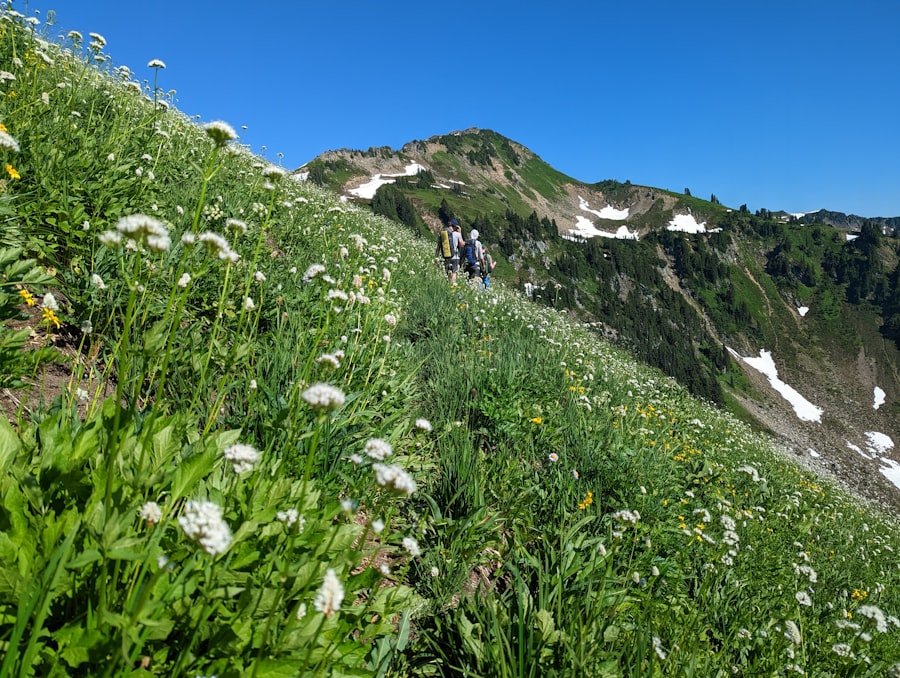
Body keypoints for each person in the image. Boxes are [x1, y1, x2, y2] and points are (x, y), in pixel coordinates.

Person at [436, 218, 464, 284]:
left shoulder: (443, 234)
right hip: (455, 257)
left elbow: (439, 246)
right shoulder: (457, 234)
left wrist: (436, 256)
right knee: (454, 273)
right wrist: (460, 232)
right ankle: (452, 286)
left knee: (447, 272)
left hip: (446, 255)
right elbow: (462, 244)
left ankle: (447, 285)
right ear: (456, 226)